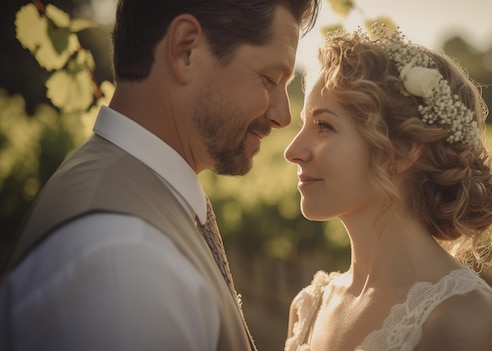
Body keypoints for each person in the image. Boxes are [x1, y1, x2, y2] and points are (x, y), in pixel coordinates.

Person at [0, 0, 320, 350]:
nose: (282, 116)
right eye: (270, 79)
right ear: (186, 49)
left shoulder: (131, 208)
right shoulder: (124, 261)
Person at [283, 24, 492, 351]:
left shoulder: (464, 319)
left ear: (404, 148)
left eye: (324, 126)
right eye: (302, 124)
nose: (292, 151)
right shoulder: (308, 307)